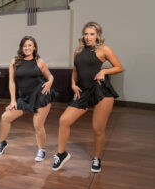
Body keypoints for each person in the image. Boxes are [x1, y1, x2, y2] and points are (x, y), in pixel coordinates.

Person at [52, 22, 123, 173]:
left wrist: (104, 72)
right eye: (86, 34)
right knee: (64, 121)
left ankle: (96, 158)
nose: (88, 37)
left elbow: (119, 67)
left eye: (92, 34)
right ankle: (61, 154)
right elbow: (75, 71)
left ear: (98, 35)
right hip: (83, 91)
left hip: (101, 91)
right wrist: (72, 83)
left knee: (98, 129)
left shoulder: (104, 49)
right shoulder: (78, 51)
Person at [0, 36, 57, 161]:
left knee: (37, 125)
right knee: (5, 117)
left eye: (29, 45)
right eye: (25, 46)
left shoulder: (39, 62)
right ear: (21, 48)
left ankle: (41, 150)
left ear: (34, 48)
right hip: (24, 97)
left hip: (40, 96)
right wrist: (13, 100)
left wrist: (50, 82)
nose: (27, 48)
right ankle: (2, 142)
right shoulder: (15, 62)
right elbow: (11, 82)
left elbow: (50, 77)